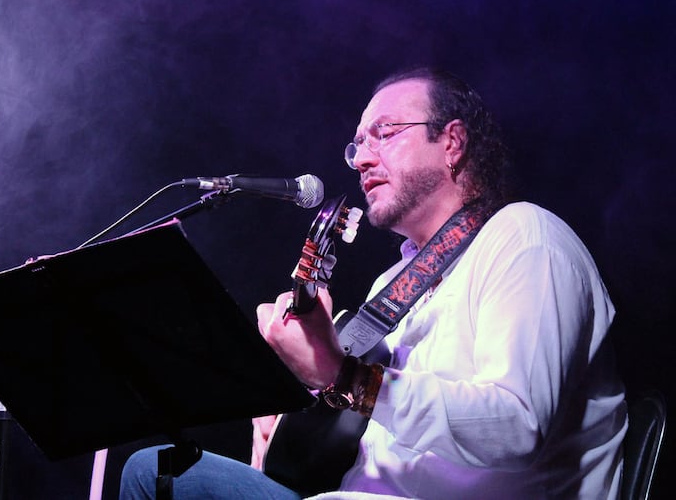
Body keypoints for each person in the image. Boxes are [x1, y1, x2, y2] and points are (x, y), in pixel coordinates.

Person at [120, 67, 627, 499]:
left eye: (384, 134)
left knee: (152, 474)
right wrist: (280, 427)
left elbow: (517, 426)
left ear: (451, 142)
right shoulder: (394, 284)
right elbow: (357, 440)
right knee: (167, 467)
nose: (362, 158)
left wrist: (344, 377)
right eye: (358, 144)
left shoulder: (524, 238)